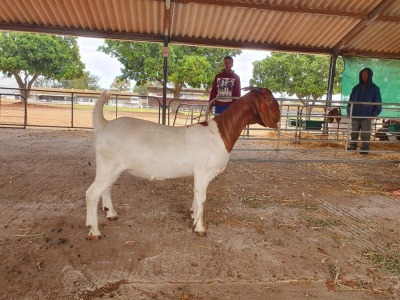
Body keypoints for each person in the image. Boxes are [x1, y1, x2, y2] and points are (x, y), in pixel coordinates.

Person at [347, 67, 382, 154]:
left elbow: (378, 103)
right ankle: (352, 146)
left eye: (366, 74)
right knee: (354, 132)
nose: (364, 76)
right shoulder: (356, 88)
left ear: (370, 76)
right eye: (363, 74)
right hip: (355, 114)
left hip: (367, 115)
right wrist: (349, 112)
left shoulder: (374, 88)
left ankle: (365, 148)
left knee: (365, 133)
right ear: (360, 75)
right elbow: (350, 101)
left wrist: (373, 114)